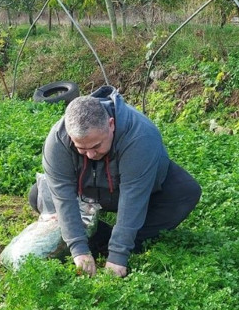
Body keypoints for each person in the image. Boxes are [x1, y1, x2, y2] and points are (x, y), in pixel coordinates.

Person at [29, 85, 201, 277]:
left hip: (134, 189)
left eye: (96, 146)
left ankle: (120, 238)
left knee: (186, 191)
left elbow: (133, 198)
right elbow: (62, 194)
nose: (91, 154)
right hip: (90, 191)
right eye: (81, 149)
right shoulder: (57, 140)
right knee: (38, 195)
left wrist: (118, 255)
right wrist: (78, 249)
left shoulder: (140, 135)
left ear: (111, 124)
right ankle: (100, 235)